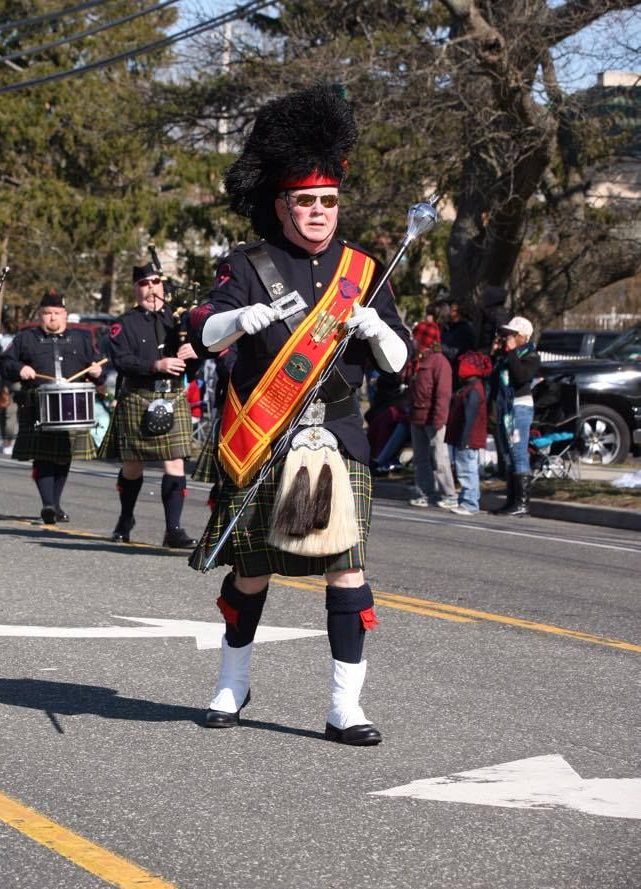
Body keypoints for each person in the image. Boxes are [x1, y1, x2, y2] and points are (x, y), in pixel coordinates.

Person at [187, 84, 412, 745]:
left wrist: (375, 327)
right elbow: (202, 331)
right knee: (252, 569)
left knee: (347, 571)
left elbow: (399, 361)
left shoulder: (364, 269)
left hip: (336, 436)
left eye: (328, 201)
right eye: (306, 200)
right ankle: (231, 684)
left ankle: (346, 707)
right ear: (282, 203)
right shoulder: (249, 264)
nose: (318, 212)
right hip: (264, 436)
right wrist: (238, 319)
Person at [98, 262, 198, 548]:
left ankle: (173, 529)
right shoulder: (124, 324)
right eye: (144, 283)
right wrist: (156, 365)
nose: (151, 288)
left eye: (155, 282)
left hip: (172, 395)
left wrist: (196, 352)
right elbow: (121, 361)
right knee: (133, 465)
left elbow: (197, 362)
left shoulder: (180, 320)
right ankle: (125, 518)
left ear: (162, 285)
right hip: (138, 396)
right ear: (136, 289)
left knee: (175, 461)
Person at [0, 291, 104, 524]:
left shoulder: (81, 339)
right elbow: (4, 363)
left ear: (65, 315)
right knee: (43, 457)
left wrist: (98, 372)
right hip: (37, 403)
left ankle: (54, 505)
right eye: (47, 313)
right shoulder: (26, 338)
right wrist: (19, 368)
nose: (52, 317)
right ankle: (48, 504)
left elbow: (99, 367)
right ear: (40, 315)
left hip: (72, 405)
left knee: (64, 457)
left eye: (57, 313)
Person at [491, 315, 539, 517]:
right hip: (506, 408)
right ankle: (511, 501)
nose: (508, 338)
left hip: (520, 407)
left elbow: (520, 377)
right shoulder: (507, 356)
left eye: (512, 334)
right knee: (508, 455)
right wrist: (495, 354)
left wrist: (511, 353)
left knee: (518, 453)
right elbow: (495, 380)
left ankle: (522, 503)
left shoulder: (531, 356)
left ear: (523, 337)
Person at [406, 320, 457, 509]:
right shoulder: (418, 360)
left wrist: (439, 419)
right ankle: (426, 493)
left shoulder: (439, 362)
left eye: (415, 337)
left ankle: (449, 494)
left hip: (433, 419)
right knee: (420, 459)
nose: (412, 340)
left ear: (424, 339)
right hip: (417, 417)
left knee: (439, 458)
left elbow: (443, 394)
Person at [446, 351, 492, 516]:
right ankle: (468, 501)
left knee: (467, 471)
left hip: (468, 438)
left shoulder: (474, 390)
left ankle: (470, 504)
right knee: (467, 469)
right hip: (466, 437)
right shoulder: (469, 388)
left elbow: (469, 417)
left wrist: (464, 440)